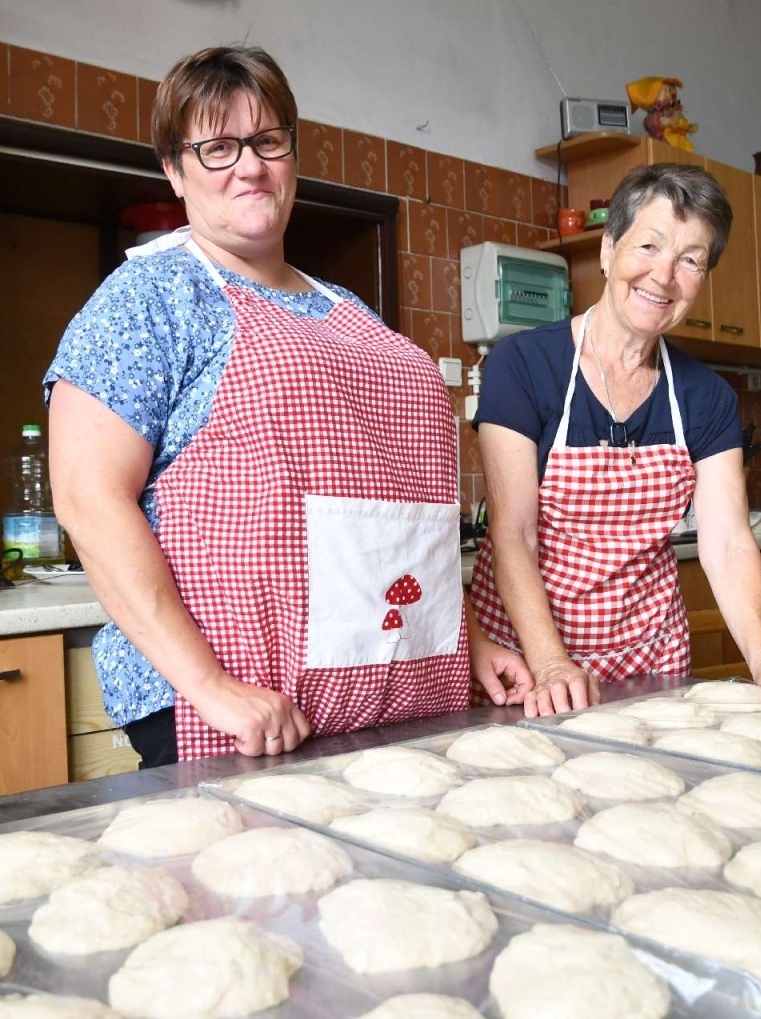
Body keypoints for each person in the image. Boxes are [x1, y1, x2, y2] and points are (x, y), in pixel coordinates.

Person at [44, 45, 527, 765]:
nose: (249, 165)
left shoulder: (351, 311)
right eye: (217, 147)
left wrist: (470, 638)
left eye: (268, 140)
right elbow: (87, 500)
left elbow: (385, 513)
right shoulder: (148, 300)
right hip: (242, 714)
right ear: (175, 171)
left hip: (402, 690)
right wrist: (210, 685)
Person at [469, 163, 761, 716]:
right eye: (649, 246)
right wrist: (551, 664)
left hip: (654, 668)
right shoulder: (523, 365)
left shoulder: (706, 395)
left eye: (690, 260)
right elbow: (514, 533)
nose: (664, 275)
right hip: (531, 666)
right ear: (607, 250)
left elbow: (727, 541)